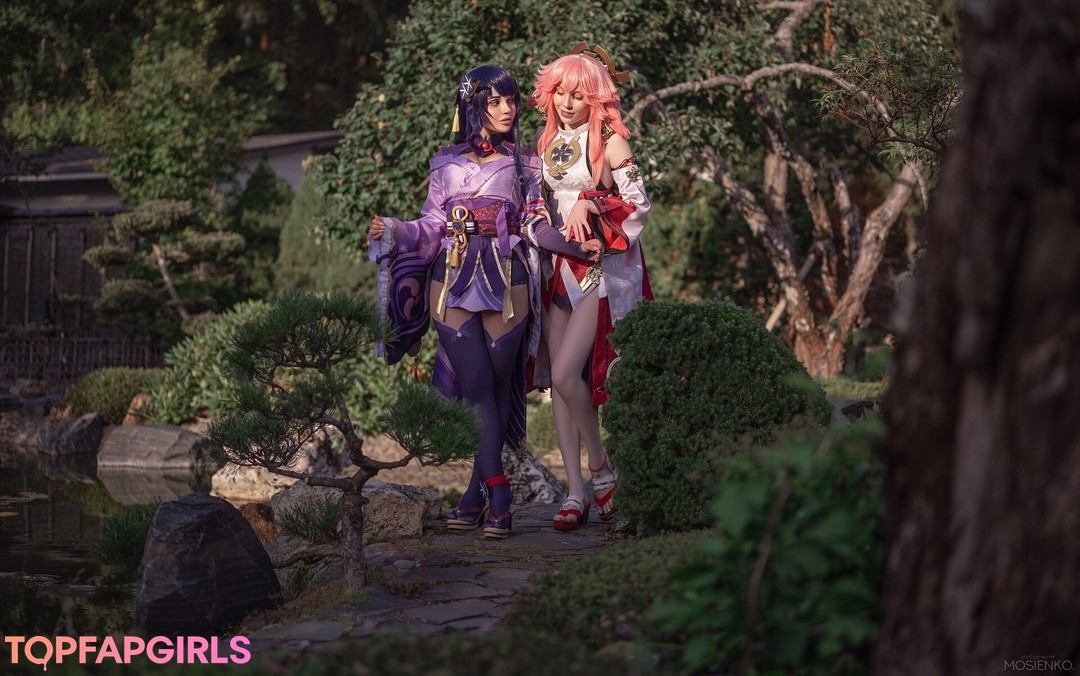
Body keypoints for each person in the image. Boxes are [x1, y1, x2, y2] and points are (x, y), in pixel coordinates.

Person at [368, 65, 599, 539]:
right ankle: (499, 491)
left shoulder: (526, 163)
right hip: (450, 278)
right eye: (495, 101)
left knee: (494, 389)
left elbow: (535, 223)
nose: (507, 109)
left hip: (508, 280)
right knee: (475, 387)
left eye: (511, 100)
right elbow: (431, 224)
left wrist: (573, 247)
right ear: (473, 106)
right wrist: (395, 229)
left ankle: (475, 495)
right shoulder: (444, 163)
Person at [530, 45, 652, 531]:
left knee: (565, 375)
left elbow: (639, 204)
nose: (566, 103)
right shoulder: (545, 141)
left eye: (578, 95)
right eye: (560, 92)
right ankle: (576, 491)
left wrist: (593, 204)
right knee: (560, 390)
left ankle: (601, 470)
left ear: (596, 98)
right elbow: (538, 204)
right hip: (555, 268)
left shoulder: (612, 141)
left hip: (598, 269)